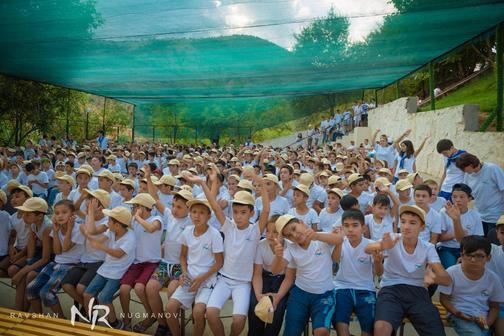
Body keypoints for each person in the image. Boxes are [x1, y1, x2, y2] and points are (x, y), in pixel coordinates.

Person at [365, 205, 452, 336]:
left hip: (418, 291)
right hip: (391, 289)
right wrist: (382, 245)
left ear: (422, 227)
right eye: (403, 221)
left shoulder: (427, 247)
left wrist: (433, 278)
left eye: (412, 223)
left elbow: (447, 280)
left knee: (436, 331)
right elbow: (367, 248)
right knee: (381, 328)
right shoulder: (393, 238)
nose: (406, 226)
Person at [271, 214, 344, 336]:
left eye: (294, 228)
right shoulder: (291, 249)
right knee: (291, 332)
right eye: (289, 235)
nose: (294, 235)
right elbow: (275, 271)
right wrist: (277, 257)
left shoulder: (321, 238)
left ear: (301, 222)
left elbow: (339, 239)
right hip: (300, 294)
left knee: (322, 331)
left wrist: (316, 235)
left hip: (324, 294)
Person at [165, 197, 224, 336]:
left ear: (209, 216)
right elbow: (183, 256)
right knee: (170, 308)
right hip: (189, 278)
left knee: (198, 312)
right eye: (194, 212)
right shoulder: (187, 231)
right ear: (190, 213)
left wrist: (200, 279)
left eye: (202, 212)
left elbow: (219, 262)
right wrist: (184, 273)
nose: (197, 215)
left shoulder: (214, 234)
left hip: (207, 280)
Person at [26, 200, 84, 317]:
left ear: (73, 214)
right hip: (55, 264)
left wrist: (69, 229)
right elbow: (57, 251)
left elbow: (66, 248)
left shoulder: (78, 229)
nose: (60, 216)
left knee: (46, 293)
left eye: (64, 212)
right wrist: (56, 232)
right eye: (57, 213)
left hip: (71, 265)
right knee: (31, 289)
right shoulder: (56, 228)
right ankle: (40, 318)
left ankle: (62, 321)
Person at [81, 207, 136, 330]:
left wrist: (101, 246)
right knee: (87, 294)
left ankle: (115, 324)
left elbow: (118, 254)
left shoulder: (130, 237)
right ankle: (91, 321)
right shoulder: (111, 231)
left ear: (117, 225)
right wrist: (86, 233)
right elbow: (98, 241)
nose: (107, 222)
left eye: (109, 221)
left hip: (118, 273)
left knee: (104, 298)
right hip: (105, 269)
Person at [439, 235, 504, 336]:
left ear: (488, 258)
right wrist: (456, 312)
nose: (473, 260)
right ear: (461, 255)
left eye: (479, 256)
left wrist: (488, 323)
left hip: (482, 315)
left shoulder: (493, 279)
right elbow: (444, 299)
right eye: (468, 255)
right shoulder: (452, 273)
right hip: (459, 314)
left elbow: (494, 307)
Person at [333, 210, 383, 336]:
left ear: (363, 228)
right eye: (346, 225)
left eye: (355, 225)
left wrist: (377, 261)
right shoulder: (341, 242)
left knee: (369, 329)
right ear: (342, 227)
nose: (350, 229)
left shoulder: (371, 245)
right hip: (342, 288)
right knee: (340, 325)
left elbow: (379, 273)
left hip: (365, 289)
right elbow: (334, 261)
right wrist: (338, 242)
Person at [120, 193, 163, 332]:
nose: (133, 209)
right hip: (136, 263)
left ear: (143, 207)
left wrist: (137, 217)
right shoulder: (134, 221)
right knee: (124, 289)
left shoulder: (156, 219)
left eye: (135, 206)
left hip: (152, 262)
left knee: (139, 288)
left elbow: (151, 229)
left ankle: (150, 315)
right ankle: (126, 319)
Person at [248, 215, 295, 336]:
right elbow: (257, 274)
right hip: (264, 277)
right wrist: (258, 295)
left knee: (277, 307)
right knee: (254, 303)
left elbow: (289, 277)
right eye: (267, 231)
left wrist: (278, 296)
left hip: (282, 280)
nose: (270, 235)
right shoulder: (261, 245)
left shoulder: (290, 246)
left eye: (275, 232)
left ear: (283, 233)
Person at [12, 197, 53, 311]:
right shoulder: (33, 223)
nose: (24, 216)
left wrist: (23, 271)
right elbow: (31, 246)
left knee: (28, 275)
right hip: (40, 254)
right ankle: (19, 309)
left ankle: (33, 314)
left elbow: (46, 258)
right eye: (24, 213)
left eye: (28, 214)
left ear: (40, 216)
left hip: (52, 258)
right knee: (21, 274)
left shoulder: (47, 228)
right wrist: (28, 262)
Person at [456, 153, 504, 236]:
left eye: (464, 168)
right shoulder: (468, 175)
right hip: (478, 215)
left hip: (494, 215)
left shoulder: (492, 169)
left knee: (493, 243)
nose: (463, 171)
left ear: (471, 165)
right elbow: (467, 192)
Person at [437, 184, 484, 269]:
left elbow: (478, 239)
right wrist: (455, 234)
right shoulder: (444, 212)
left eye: (462, 197)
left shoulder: (475, 216)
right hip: (446, 247)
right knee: (452, 268)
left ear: (469, 199)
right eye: (454, 197)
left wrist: (466, 254)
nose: (458, 200)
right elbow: (439, 237)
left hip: (467, 250)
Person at [487, 215, 504, 336]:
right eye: (503, 232)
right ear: (497, 234)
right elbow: (465, 241)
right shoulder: (491, 250)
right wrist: (456, 220)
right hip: (495, 304)